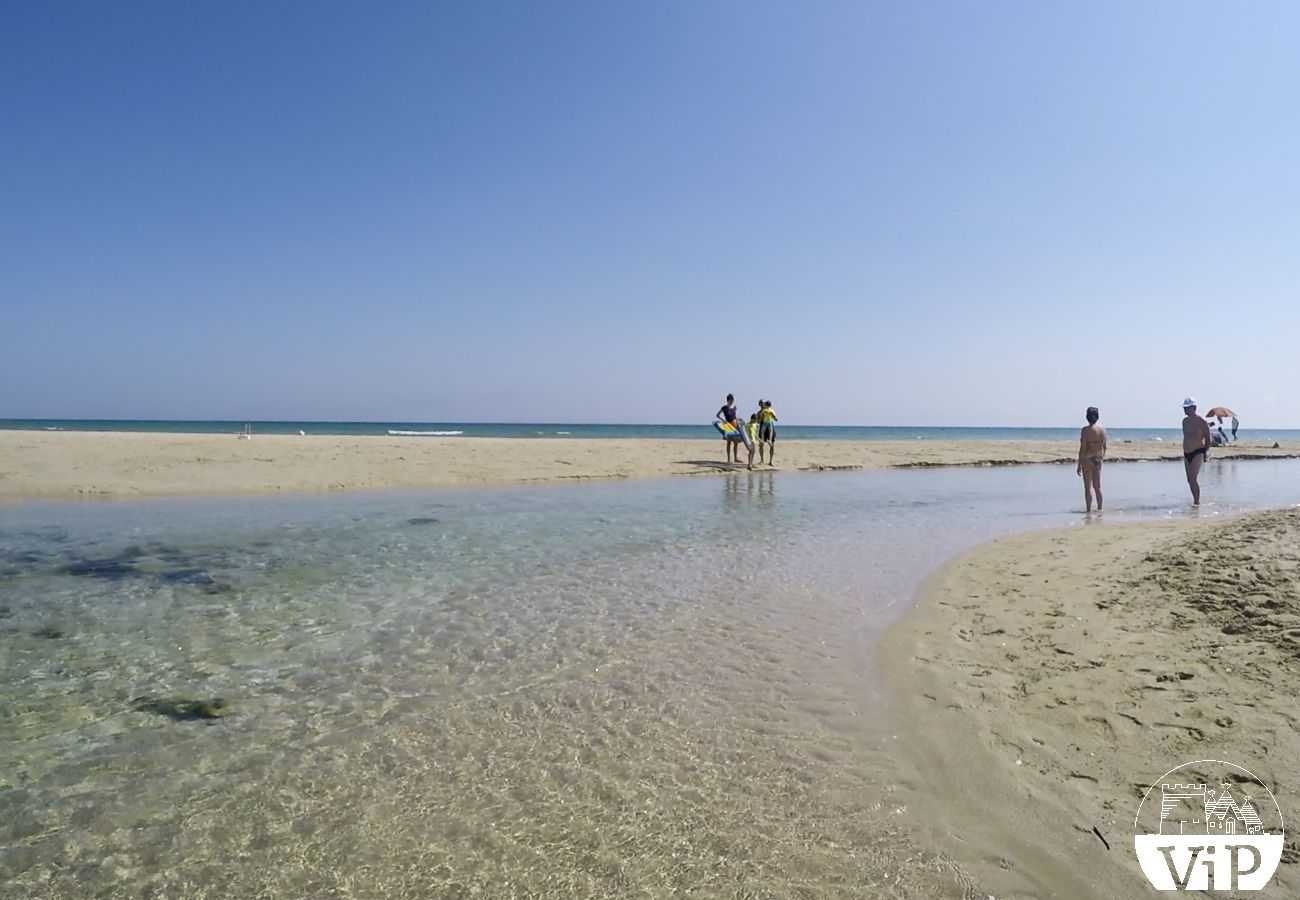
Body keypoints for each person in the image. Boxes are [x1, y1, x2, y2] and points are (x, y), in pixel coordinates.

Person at [1181, 398, 1212, 505]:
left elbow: (1208, 439)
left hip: (1198, 452)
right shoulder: (1184, 421)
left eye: (1187, 407)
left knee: (1193, 478)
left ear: (1194, 408)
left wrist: (1204, 452)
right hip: (1187, 453)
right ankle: (1195, 501)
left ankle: (1197, 502)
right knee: (1189, 479)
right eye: (1184, 407)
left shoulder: (1202, 422)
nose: (1185, 410)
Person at [1076, 406, 1106, 512]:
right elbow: (1104, 446)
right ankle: (1099, 509)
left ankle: (1088, 510)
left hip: (1088, 458)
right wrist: (1101, 457)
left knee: (1088, 486)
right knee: (1097, 486)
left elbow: (1083, 448)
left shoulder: (1085, 430)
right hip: (1098, 458)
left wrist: (1079, 464)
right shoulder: (1102, 429)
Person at [715, 394, 741, 464]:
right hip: (728, 426)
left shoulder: (735, 407)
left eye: (733, 400)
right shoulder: (724, 408)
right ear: (728, 400)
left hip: (735, 425)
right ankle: (729, 459)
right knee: (729, 442)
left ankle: (736, 458)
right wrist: (723, 421)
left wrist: (738, 421)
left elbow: (735, 416)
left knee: (736, 442)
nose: (732, 401)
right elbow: (717, 415)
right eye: (731, 400)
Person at [759, 400, 778, 466]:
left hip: (769, 426)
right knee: (761, 444)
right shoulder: (761, 411)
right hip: (763, 426)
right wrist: (761, 417)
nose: (762, 405)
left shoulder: (770, 410)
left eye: (763, 404)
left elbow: (775, 418)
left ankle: (771, 461)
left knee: (772, 445)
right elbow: (758, 421)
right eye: (761, 404)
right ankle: (762, 460)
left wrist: (773, 416)